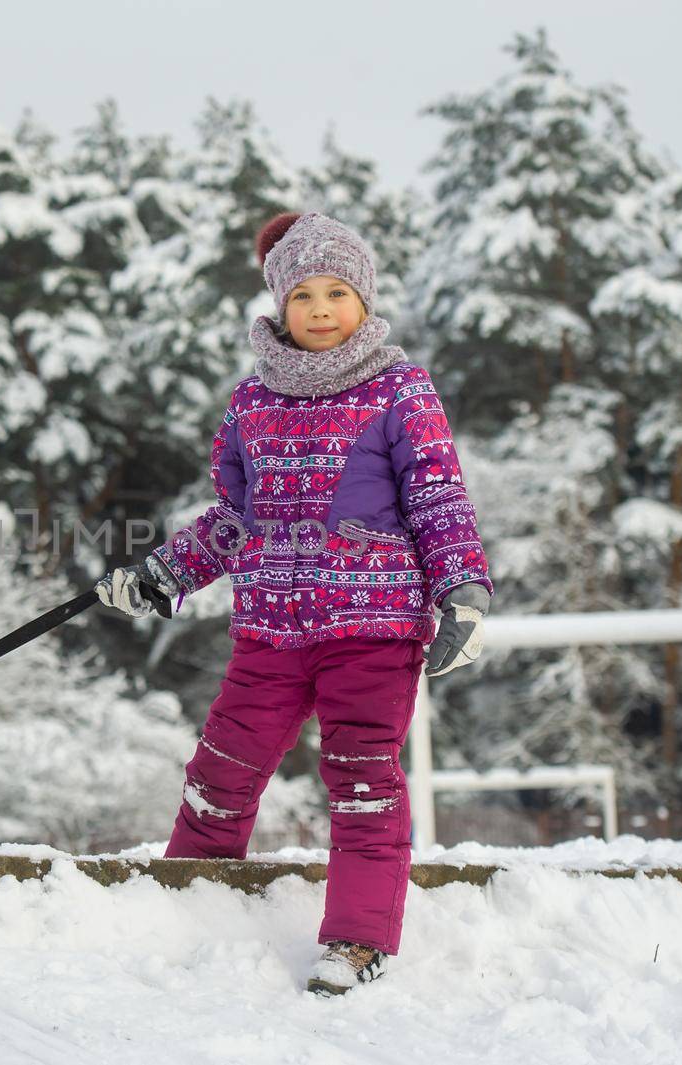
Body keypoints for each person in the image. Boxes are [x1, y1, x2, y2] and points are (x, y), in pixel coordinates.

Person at [96, 211, 493, 997]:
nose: (319, 308)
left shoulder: (398, 388)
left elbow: (438, 498)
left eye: (337, 291)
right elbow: (233, 517)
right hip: (271, 629)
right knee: (221, 768)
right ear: (278, 304)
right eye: (302, 293)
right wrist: (163, 574)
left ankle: (356, 938)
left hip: (372, 628)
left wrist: (463, 591)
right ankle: (185, 907)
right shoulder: (254, 401)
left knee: (361, 776)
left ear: (364, 298)